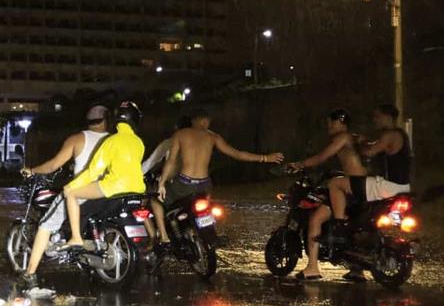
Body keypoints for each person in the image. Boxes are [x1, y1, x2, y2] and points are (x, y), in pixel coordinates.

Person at [154, 108, 283, 248]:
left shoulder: (180, 134)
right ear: (204, 120)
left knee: (156, 200)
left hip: (185, 184)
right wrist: (265, 158)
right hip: (205, 185)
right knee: (205, 208)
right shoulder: (212, 137)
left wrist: (161, 182)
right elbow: (237, 154)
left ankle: (165, 237)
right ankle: (207, 232)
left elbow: (171, 161)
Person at [18, 105, 110, 286]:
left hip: (81, 191)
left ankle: (30, 274)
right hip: (108, 190)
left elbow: (53, 165)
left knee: (46, 224)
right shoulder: (113, 140)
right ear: (106, 121)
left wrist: (32, 170)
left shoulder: (77, 139)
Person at [327, 104, 412, 282]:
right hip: (400, 188)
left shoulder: (391, 134)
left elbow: (370, 151)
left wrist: (359, 142)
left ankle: (339, 224)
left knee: (337, 185)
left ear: (388, 117)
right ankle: (357, 266)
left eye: (377, 117)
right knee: (366, 219)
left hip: (388, 186)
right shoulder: (399, 135)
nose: (374, 120)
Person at [288, 109, 367, 281]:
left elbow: (322, 156)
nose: (329, 126)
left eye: (331, 122)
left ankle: (312, 268)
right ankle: (357, 268)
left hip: (350, 188)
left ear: (340, 121)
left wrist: (299, 165)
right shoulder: (356, 137)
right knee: (353, 225)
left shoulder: (342, 137)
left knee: (315, 219)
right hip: (365, 188)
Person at [61, 101, 146, 251]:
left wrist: (70, 186)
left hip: (112, 189)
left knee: (72, 194)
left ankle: (76, 238)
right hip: (137, 191)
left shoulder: (111, 141)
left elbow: (93, 171)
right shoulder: (139, 142)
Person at [141, 116, 191, 243]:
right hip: (198, 184)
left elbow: (149, 164)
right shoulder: (198, 142)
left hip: (177, 185)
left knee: (154, 200)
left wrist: (136, 174)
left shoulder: (169, 143)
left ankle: (163, 236)